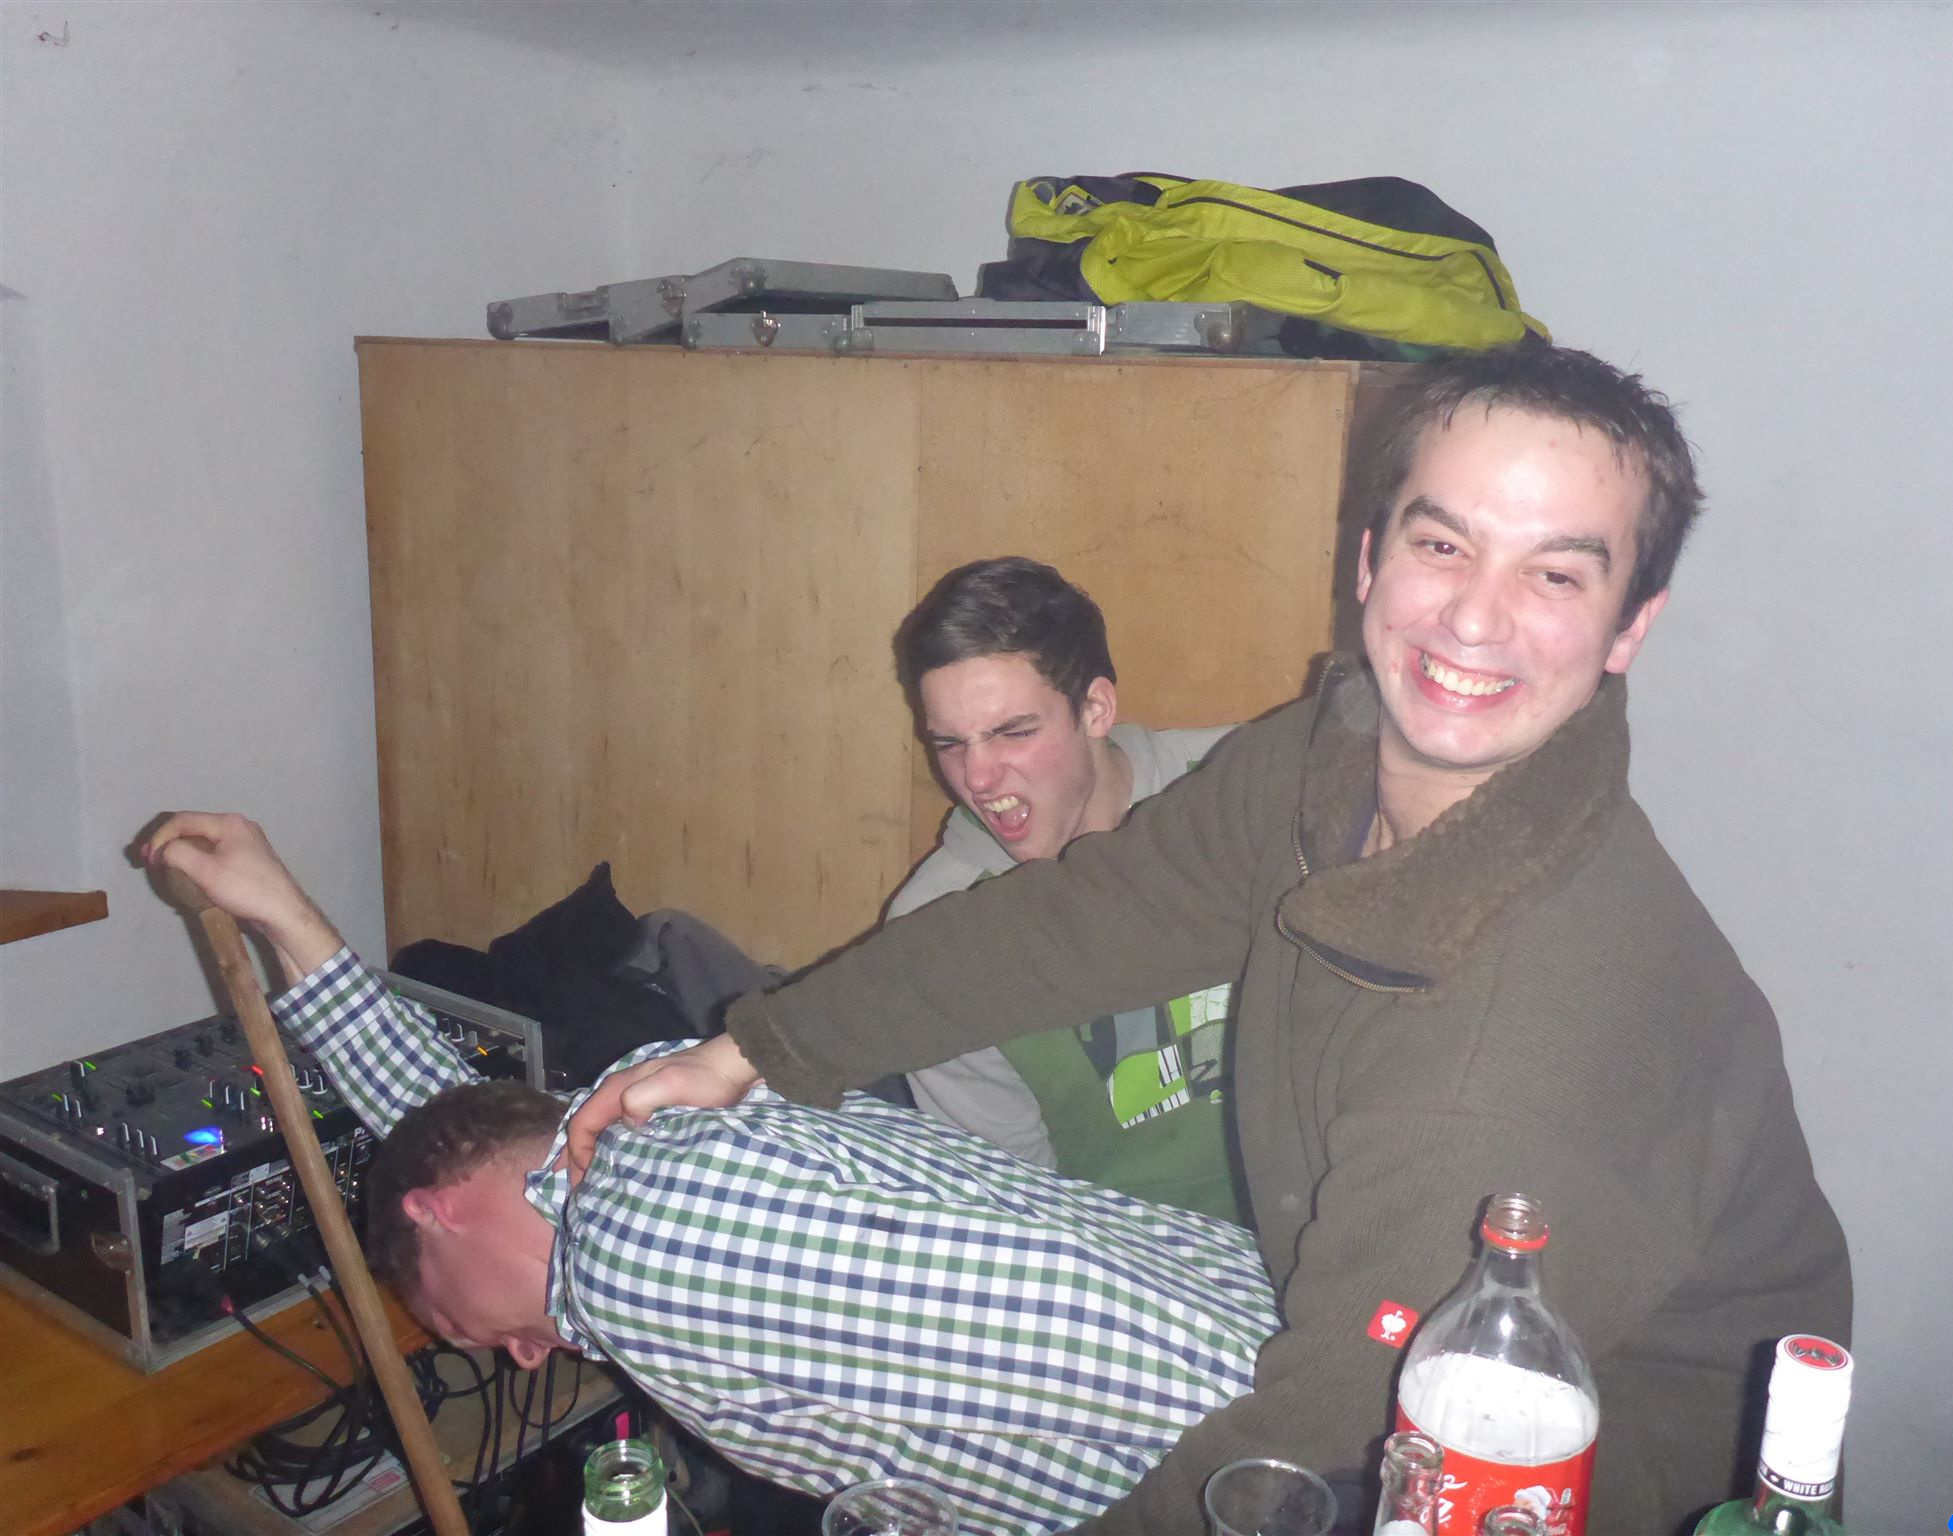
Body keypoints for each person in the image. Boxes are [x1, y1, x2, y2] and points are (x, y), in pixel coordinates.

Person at [567, 344, 1856, 1534]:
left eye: (1554, 574)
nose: (1473, 618)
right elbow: (1079, 917)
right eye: (1442, 544)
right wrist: (755, 1048)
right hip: (1352, 1339)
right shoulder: (1324, 757)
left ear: (1630, 627)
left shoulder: (1519, 1046)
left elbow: (1330, 1435)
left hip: (1605, 1472)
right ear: (1369, 560)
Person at [138, 812, 1280, 1536]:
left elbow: (1087, 1332)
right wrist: (286, 916)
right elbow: (450, 1132)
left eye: (465, 1330)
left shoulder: (635, 1254)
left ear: (438, 1216)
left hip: (1265, 1465)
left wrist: (1282, 1463)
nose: (521, 1353)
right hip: (1278, 1324)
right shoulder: (640, 1131)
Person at [889, 557, 1245, 1221]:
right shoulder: (937, 931)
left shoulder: (1243, 788)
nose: (978, 779)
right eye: (950, 744)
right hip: (1142, 1263)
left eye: (1014, 733)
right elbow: (1020, 1205)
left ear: (1095, 709)